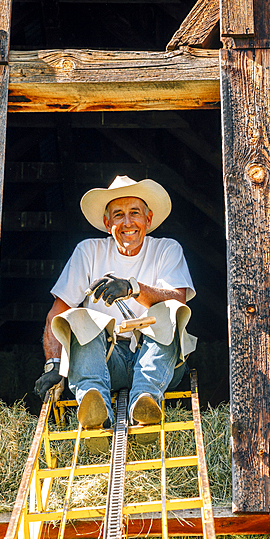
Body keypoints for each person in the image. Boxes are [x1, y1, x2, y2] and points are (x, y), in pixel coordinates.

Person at [34, 176, 197, 434]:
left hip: (156, 361)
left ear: (149, 219)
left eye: (135, 213)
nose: (127, 222)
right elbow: (58, 313)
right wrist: (54, 364)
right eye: (118, 215)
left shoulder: (167, 249)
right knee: (79, 316)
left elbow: (179, 298)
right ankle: (93, 403)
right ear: (107, 223)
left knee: (171, 311)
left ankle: (145, 401)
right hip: (105, 361)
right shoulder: (88, 251)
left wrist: (133, 288)